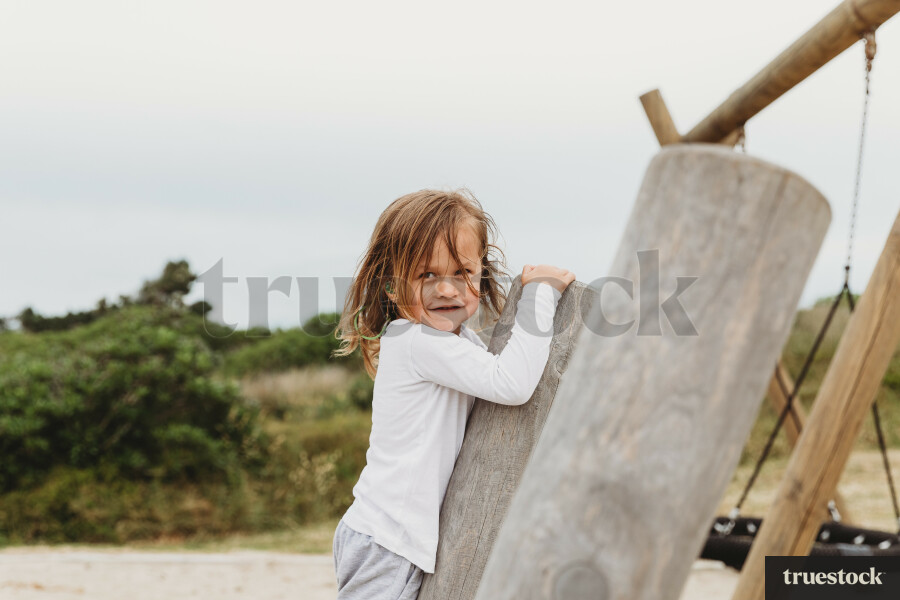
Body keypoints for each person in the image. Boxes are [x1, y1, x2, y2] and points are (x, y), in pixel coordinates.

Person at [331, 188, 575, 599]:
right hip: (386, 538)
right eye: (426, 275)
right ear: (390, 285)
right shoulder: (416, 341)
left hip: (392, 537)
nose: (447, 289)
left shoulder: (458, 344)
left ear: (482, 273)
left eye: (463, 272)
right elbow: (512, 383)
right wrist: (541, 293)